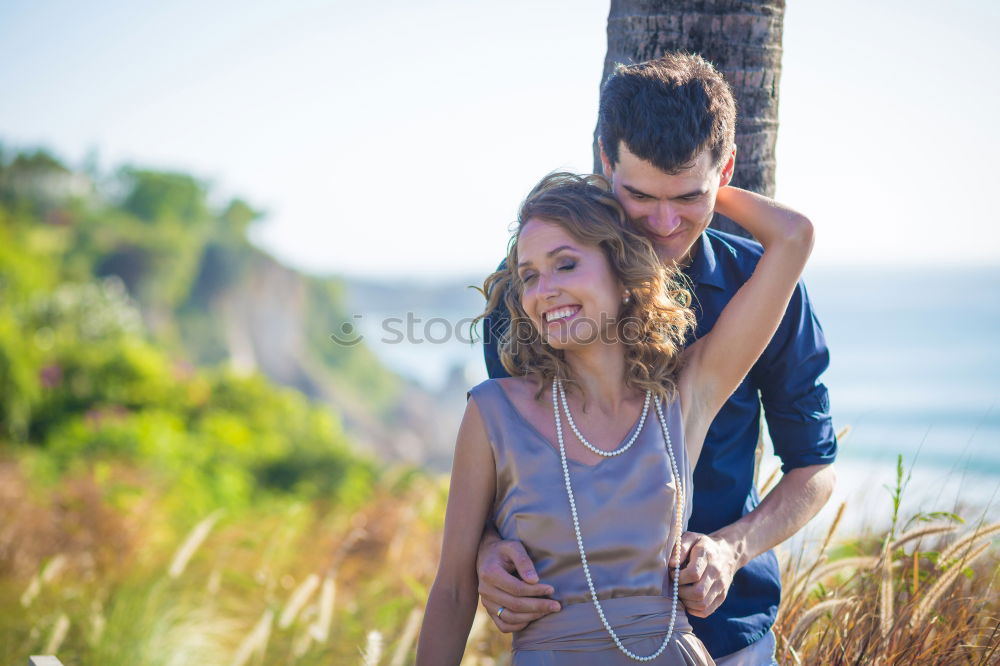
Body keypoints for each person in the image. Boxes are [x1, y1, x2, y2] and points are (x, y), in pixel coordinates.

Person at [477, 53, 837, 664]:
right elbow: (509, 459)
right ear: (605, 162)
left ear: (726, 173)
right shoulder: (531, 299)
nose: (665, 224)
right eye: (640, 195)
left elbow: (814, 468)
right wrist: (486, 549)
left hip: (725, 635)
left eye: (690, 197)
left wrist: (731, 548)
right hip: (572, 633)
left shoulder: (762, 288)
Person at [416, 171, 814, 664]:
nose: (545, 290)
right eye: (529, 275)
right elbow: (454, 591)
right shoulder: (493, 411)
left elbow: (794, 237)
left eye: (565, 264)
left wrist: (688, 191)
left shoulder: (684, 396)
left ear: (622, 272)